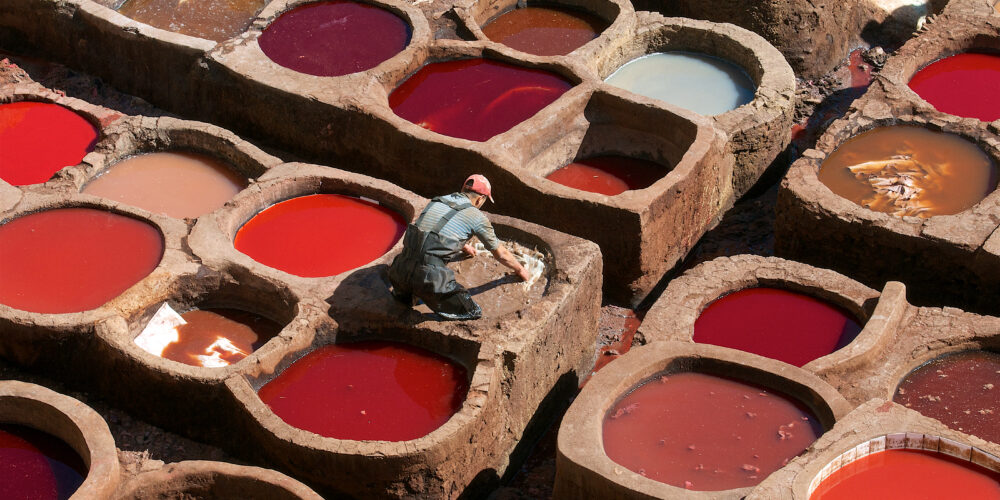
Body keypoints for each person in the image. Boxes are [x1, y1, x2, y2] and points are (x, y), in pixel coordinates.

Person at [387, 174, 531, 320]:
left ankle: (409, 296)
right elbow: (501, 254)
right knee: (473, 311)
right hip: (429, 280)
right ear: (480, 199)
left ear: (463, 189)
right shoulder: (477, 217)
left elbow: (433, 231)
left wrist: (463, 246)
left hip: (399, 271)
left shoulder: (439, 200)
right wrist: (520, 269)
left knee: (404, 301)